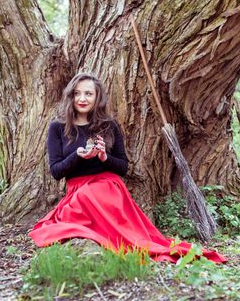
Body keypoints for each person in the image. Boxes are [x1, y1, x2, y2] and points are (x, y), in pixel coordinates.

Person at [29, 73, 226, 263]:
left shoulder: (109, 126)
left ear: (97, 97)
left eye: (88, 94)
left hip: (106, 187)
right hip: (77, 191)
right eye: (77, 93)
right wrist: (77, 155)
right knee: (77, 207)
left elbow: (122, 167)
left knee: (91, 194)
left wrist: (105, 157)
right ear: (70, 96)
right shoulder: (58, 127)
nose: (82, 98)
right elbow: (56, 171)